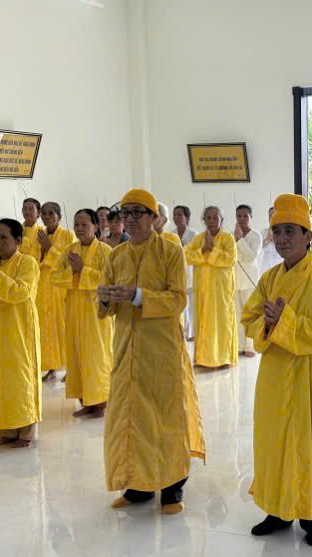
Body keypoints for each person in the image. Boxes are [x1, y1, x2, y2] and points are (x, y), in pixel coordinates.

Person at [242, 194, 312, 545]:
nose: (283, 238)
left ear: (308, 236)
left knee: (311, 441)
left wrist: (283, 321)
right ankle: (278, 508)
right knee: (274, 440)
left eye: (290, 231)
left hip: (311, 378)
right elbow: (249, 318)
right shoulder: (269, 279)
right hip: (274, 377)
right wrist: (269, 324)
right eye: (277, 231)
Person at [99, 189, 205, 513]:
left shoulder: (171, 251)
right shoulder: (116, 255)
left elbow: (178, 299)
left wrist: (138, 296)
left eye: (137, 212)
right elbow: (106, 308)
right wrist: (104, 298)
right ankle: (138, 485)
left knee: (165, 418)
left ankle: (172, 487)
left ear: (154, 218)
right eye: (125, 213)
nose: (130, 219)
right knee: (130, 418)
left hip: (161, 351)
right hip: (126, 349)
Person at [0, 218, 42, 448]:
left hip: (19, 330)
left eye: (4, 237)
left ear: (18, 241)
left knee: (19, 377)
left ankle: (27, 431)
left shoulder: (27, 262)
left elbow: (21, 292)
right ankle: (7, 429)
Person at [57, 208, 113, 418]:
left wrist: (83, 270)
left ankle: (101, 402)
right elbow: (54, 276)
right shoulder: (70, 250)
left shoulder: (105, 251)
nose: (79, 228)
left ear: (96, 227)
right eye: (76, 224)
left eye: (84, 225)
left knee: (96, 356)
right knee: (77, 354)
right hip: (73, 310)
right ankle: (86, 401)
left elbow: (110, 279)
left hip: (96, 312)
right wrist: (72, 271)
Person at [186, 206, 238, 369]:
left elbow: (230, 259)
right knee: (203, 321)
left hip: (221, 290)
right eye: (208, 218)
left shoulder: (228, 238)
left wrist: (212, 249)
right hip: (203, 289)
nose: (212, 221)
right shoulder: (198, 239)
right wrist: (203, 249)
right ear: (204, 220)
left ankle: (223, 358)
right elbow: (186, 256)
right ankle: (203, 359)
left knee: (222, 321)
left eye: (215, 217)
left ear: (222, 220)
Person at [34, 201, 72, 382]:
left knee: (63, 326)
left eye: (51, 213)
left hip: (60, 287)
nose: (47, 217)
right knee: (47, 328)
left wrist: (50, 248)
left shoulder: (68, 235)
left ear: (59, 216)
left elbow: (69, 259)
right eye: (44, 213)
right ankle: (51, 367)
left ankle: (71, 368)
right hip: (43, 286)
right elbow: (33, 260)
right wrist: (43, 250)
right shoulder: (38, 234)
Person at [233, 203, 262, 358]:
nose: (242, 219)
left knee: (250, 315)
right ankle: (239, 346)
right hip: (235, 281)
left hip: (250, 281)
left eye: (245, 216)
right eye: (239, 216)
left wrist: (239, 240)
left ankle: (250, 346)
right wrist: (238, 241)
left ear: (251, 217)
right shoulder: (231, 235)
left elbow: (251, 256)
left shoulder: (256, 236)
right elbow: (233, 257)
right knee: (237, 315)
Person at [173, 205, 199, 338]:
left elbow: (195, 254)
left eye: (179, 214)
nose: (176, 217)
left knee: (192, 306)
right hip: (177, 273)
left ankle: (193, 333)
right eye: (174, 215)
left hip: (191, 273)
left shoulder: (194, 235)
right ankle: (183, 332)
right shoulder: (171, 234)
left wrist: (182, 248)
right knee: (181, 306)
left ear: (187, 218)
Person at [257, 205, 281, 274]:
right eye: (271, 216)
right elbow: (258, 247)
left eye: (275, 215)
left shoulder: (283, 233)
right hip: (266, 263)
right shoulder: (264, 232)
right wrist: (267, 239)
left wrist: (273, 238)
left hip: (279, 263)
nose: (272, 218)